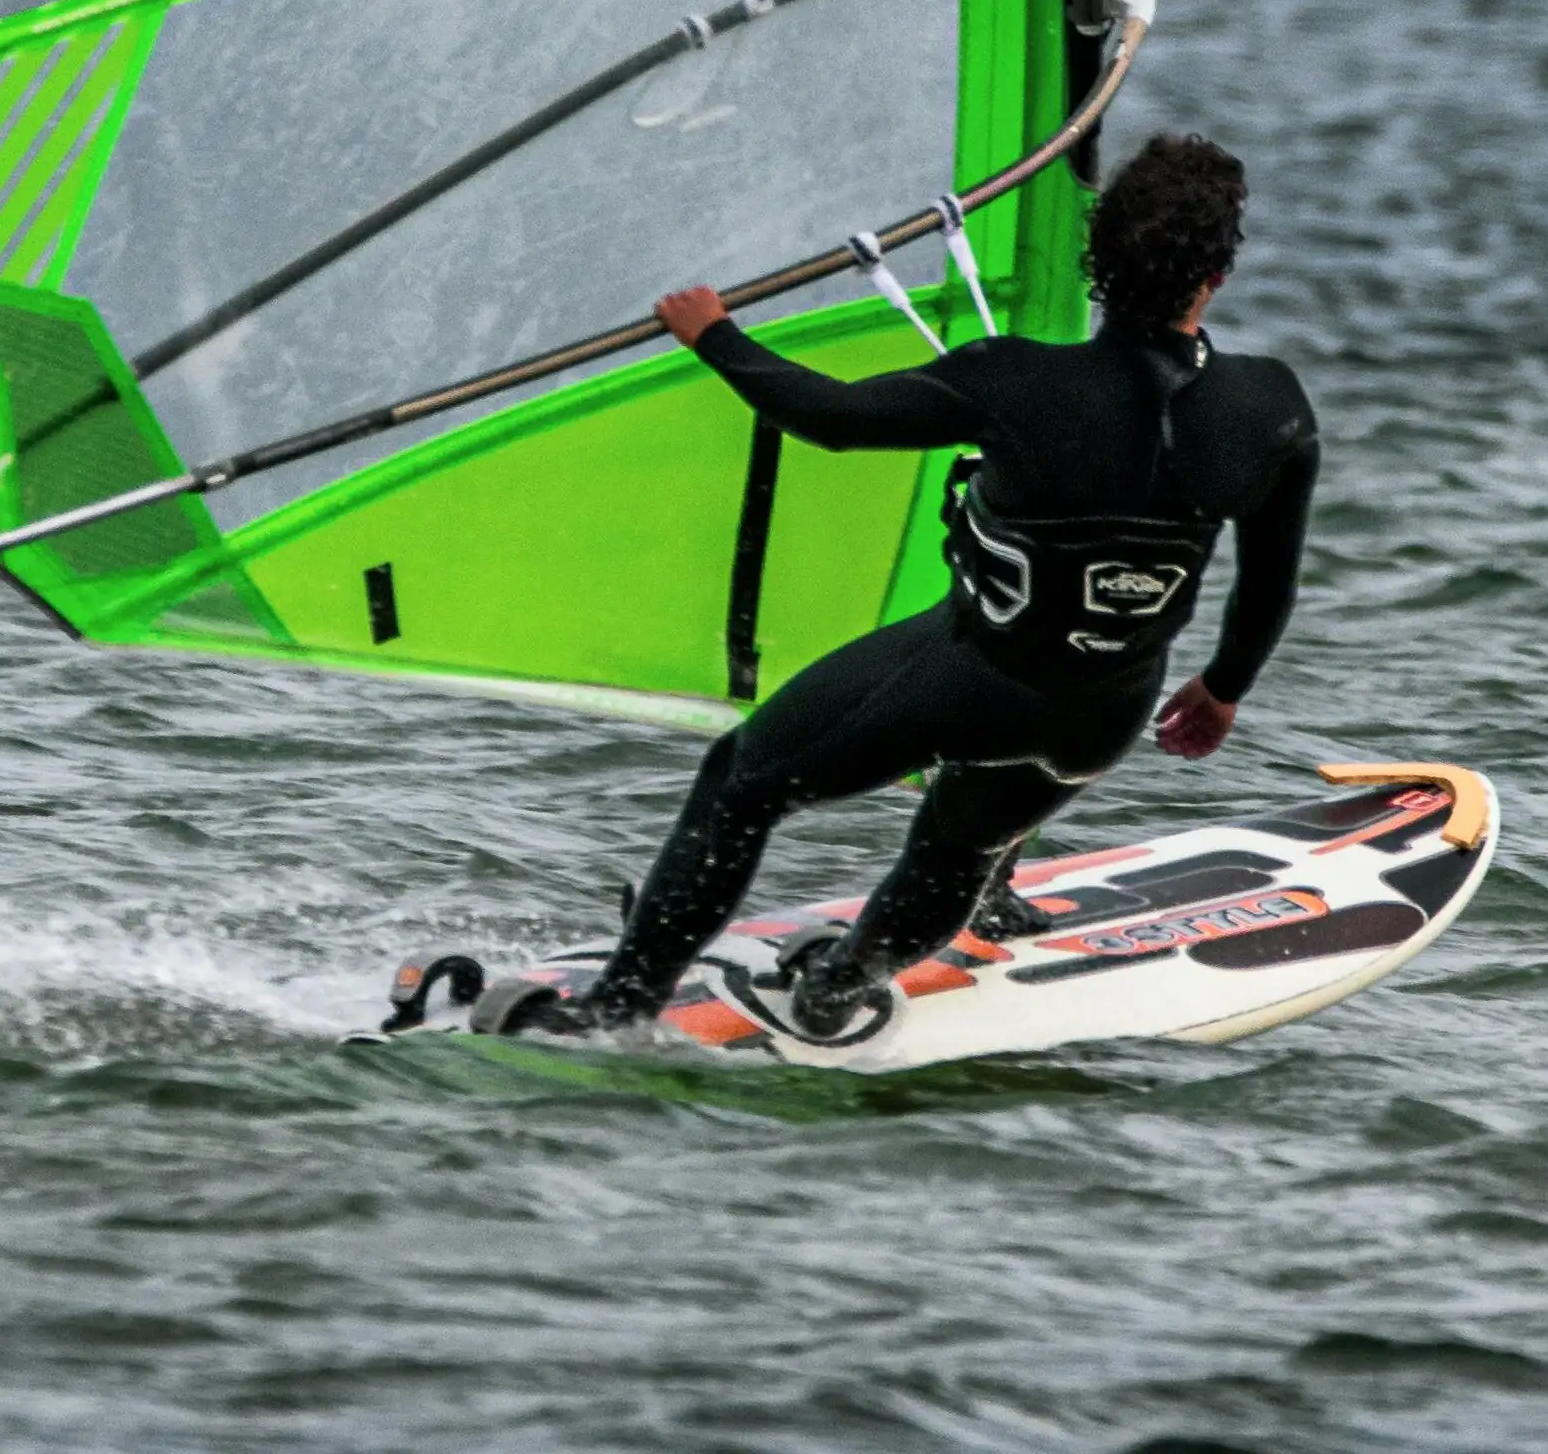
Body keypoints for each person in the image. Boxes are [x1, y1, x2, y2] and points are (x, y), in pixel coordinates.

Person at [485, 132, 1320, 1041]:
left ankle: (618, 1008)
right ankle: (840, 985)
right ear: (1219, 276)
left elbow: (835, 419)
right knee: (958, 846)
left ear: (1099, 260)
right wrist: (1225, 687)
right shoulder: (1270, 408)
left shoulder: (1016, 380)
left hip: (973, 675)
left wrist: (714, 334)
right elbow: (1269, 584)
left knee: (743, 781)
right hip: (1103, 715)